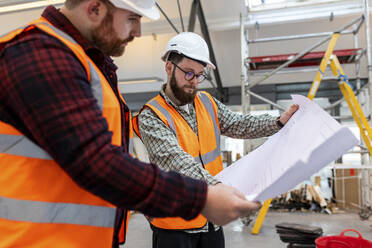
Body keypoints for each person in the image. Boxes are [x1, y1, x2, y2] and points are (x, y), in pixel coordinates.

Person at [0, 1, 262, 247]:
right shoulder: (40, 53)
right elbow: (97, 162)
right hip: (35, 239)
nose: (137, 31)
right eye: (132, 19)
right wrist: (201, 197)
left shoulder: (89, 64)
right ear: (95, 8)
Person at [133, 32, 299, 248]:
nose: (194, 82)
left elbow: (239, 124)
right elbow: (178, 163)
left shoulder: (206, 102)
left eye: (200, 75)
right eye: (188, 73)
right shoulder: (151, 115)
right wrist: (222, 189)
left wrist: (278, 122)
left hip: (210, 221)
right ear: (169, 68)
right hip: (174, 226)